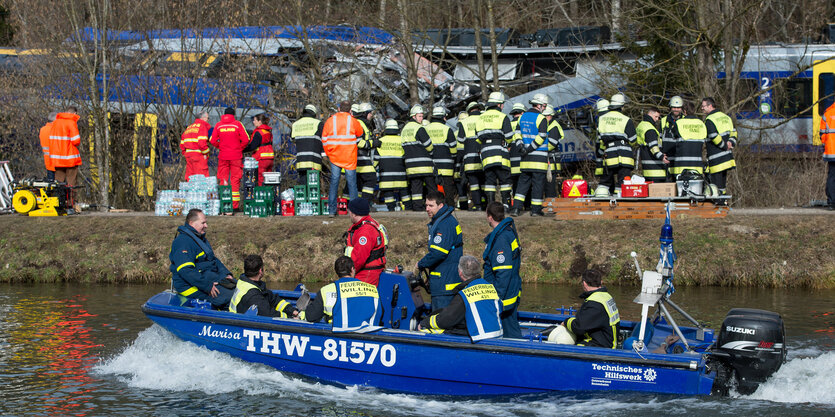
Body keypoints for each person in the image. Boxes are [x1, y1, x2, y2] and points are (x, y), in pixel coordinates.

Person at [418, 255, 503, 342]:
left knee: (430, 330)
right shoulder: (489, 287)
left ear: (460, 273)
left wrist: (425, 322)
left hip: (481, 340)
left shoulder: (465, 294)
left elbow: (446, 319)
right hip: (497, 336)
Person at [169, 209, 235, 309]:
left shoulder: (199, 239)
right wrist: (207, 286)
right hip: (190, 286)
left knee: (240, 289)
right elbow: (186, 270)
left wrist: (226, 274)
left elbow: (213, 260)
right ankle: (227, 320)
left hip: (208, 279)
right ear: (192, 223)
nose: (206, 226)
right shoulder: (183, 242)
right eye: (203, 223)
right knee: (229, 298)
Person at [302, 256, 381, 333]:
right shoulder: (373, 289)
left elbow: (311, 317)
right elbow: (381, 314)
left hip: (339, 335)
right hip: (370, 336)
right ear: (352, 269)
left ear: (337, 272)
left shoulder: (326, 290)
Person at [416, 190, 464, 310]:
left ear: (440, 206)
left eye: (431, 206)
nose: (427, 209)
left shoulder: (445, 224)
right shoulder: (443, 220)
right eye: (426, 205)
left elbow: (438, 253)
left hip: (445, 284)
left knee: (441, 320)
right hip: (443, 279)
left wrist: (420, 264)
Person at [482, 201, 522, 338]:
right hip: (509, 291)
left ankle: (518, 354)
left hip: (504, 296)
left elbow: (503, 272)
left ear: (490, 217)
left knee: (510, 332)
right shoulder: (507, 232)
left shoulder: (501, 239)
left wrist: (496, 299)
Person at [323, 100, 364, 216]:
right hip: (349, 156)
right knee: (352, 184)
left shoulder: (330, 120)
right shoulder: (353, 121)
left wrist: (328, 153)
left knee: (334, 182)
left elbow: (324, 139)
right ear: (350, 110)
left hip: (335, 156)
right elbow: (360, 133)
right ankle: (355, 212)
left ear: (339, 109)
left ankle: (332, 211)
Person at [511, 93, 550, 217]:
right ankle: (535, 210)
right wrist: (529, 148)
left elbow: (516, 134)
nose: (544, 108)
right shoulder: (541, 118)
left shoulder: (522, 117)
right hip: (538, 158)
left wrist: (521, 147)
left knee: (522, 186)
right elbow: (542, 137)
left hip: (525, 159)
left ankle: (516, 209)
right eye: (544, 106)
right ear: (539, 105)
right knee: (538, 185)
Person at [562, 269, 620, 348]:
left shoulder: (594, 303)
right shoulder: (606, 296)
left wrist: (566, 322)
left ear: (584, 283)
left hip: (603, 345)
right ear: (601, 282)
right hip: (608, 338)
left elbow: (579, 327)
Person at [476, 92, 514, 207]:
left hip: (486, 154)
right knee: (505, 180)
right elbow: (509, 136)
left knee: (489, 181)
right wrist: (507, 143)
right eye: (502, 104)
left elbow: (478, 137)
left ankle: (490, 206)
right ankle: (506, 205)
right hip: (500, 153)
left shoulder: (480, 117)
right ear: (499, 105)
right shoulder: (503, 117)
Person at [595, 93, 637, 197]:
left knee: (605, 182)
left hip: (609, 154)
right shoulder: (626, 119)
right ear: (622, 106)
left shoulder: (601, 119)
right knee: (622, 183)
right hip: (625, 155)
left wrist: (600, 152)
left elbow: (600, 139)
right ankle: (620, 201)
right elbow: (633, 140)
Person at [229, 254, 297, 317]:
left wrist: (291, 310)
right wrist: (290, 317)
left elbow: (272, 299)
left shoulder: (246, 282)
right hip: (241, 324)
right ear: (260, 271)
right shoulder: (253, 295)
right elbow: (268, 314)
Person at [210, 107, 250, 211]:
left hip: (223, 155)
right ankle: (235, 206)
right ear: (234, 115)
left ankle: (224, 205)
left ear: (224, 114)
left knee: (223, 179)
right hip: (236, 156)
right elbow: (246, 139)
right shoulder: (237, 124)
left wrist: (221, 147)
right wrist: (238, 148)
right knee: (235, 180)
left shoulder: (219, 125)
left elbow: (212, 140)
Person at [344, 198, 388, 286]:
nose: (349, 214)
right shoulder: (367, 224)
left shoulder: (365, 231)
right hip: (366, 271)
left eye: (350, 211)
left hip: (366, 273)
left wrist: (348, 274)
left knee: (358, 298)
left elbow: (359, 257)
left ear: (354, 213)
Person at [401, 104, 436, 210]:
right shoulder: (419, 128)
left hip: (411, 166)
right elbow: (428, 145)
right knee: (431, 187)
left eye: (422, 116)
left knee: (416, 188)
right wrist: (431, 151)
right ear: (413, 116)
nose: (421, 118)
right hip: (424, 164)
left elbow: (402, 147)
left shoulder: (404, 129)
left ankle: (417, 207)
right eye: (420, 116)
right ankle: (435, 206)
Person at [701, 97, 737, 194]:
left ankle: (718, 205)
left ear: (710, 106)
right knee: (722, 185)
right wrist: (731, 143)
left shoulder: (709, 120)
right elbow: (734, 132)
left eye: (703, 106)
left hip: (716, 158)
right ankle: (723, 203)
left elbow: (713, 136)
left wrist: (725, 146)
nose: (702, 108)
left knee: (715, 186)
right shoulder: (726, 117)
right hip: (727, 157)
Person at [377, 119, 409, 211]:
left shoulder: (380, 141)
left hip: (385, 175)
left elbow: (375, 158)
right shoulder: (402, 140)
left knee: (388, 193)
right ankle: (408, 208)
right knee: (404, 192)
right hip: (401, 173)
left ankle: (391, 209)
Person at [670, 101, 707, 177]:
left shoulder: (679, 123)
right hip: (697, 166)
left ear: (684, 111)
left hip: (681, 166)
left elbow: (673, 136)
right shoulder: (701, 124)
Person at [459, 102, 485, 211]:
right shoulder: (484, 119)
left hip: (470, 160)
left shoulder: (464, 122)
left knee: (474, 184)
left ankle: (478, 205)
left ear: (469, 111)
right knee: (484, 183)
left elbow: (460, 140)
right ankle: (486, 204)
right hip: (484, 157)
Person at [292, 104, 325, 188]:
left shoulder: (295, 124)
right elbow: (325, 140)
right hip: (314, 161)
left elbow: (293, 139)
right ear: (314, 114)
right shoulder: (318, 123)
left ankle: (304, 201)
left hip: (301, 161)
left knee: (303, 186)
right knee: (313, 188)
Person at [49, 106, 82, 186]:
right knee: (71, 183)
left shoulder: (55, 123)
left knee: (58, 183)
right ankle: (71, 199)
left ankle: (59, 198)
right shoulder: (71, 122)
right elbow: (76, 141)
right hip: (70, 159)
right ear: (74, 113)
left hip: (57, 159)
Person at [636, 108, 669, 183]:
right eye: (656, 117)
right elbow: (653, 147)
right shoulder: (650, 129)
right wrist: (661, 157)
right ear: (650, 115)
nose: (657, 119)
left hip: (646, 168)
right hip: (656, 170)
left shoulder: (641, 125)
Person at [355, 102, 380, 201]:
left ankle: (358, 204)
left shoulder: (363, 123)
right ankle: (365, 203)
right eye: (370, 113)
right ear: (365, 113)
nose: (371, 115)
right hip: (361, 157)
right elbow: (359, 142)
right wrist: (373, 143)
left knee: (360, 182)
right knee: (371, 178)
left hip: (360, 157)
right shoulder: (360, 124)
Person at [180, 112, 211, 181]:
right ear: (203, 118)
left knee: (190, 178)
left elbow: (182, 144)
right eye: (208, 118)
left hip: (189, 157)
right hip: (199, 156)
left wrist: (186, 154)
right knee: (201, 179)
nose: (208, 120)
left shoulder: (189, 128)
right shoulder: (202, 127)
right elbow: (202, 144)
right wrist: (206, 153)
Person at [661, 96, 684, 180]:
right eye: (674, 107)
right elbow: (659, 139)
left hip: (681, 158)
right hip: (667, 159)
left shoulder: (685, 121)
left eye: (678, 107)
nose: (676, 109)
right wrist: (661, 154)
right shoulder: (663, 121)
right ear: (670, 107)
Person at [249, 113, 274, 186]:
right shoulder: (268, 132)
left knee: (260, 179)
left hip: (261, 158)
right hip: (270, 158)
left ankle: (262, 194)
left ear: (259, 121)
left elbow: (253, 146)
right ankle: (269, 194)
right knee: (268, 179)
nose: (253, 122)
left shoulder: (258, 132)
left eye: (255, 120)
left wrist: (242, 150)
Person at [508, 102, 526, 200]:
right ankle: (527, 205)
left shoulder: (509, 125)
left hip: (512, 161)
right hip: (524, 159)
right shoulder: (525, 123)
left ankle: (516, 205)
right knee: (526, 184)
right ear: (522, 112)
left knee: (515, 185)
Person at [821, 101, 835, 209]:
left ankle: (831, 202)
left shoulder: (827, 113)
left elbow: (822, 134)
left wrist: (827, 145)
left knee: (832, 176)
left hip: (831, 151)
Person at [39, 112, 57, 181]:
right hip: (58, 163)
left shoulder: (42, 129)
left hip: (48, 162)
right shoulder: (55, 130)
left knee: (51, 185)